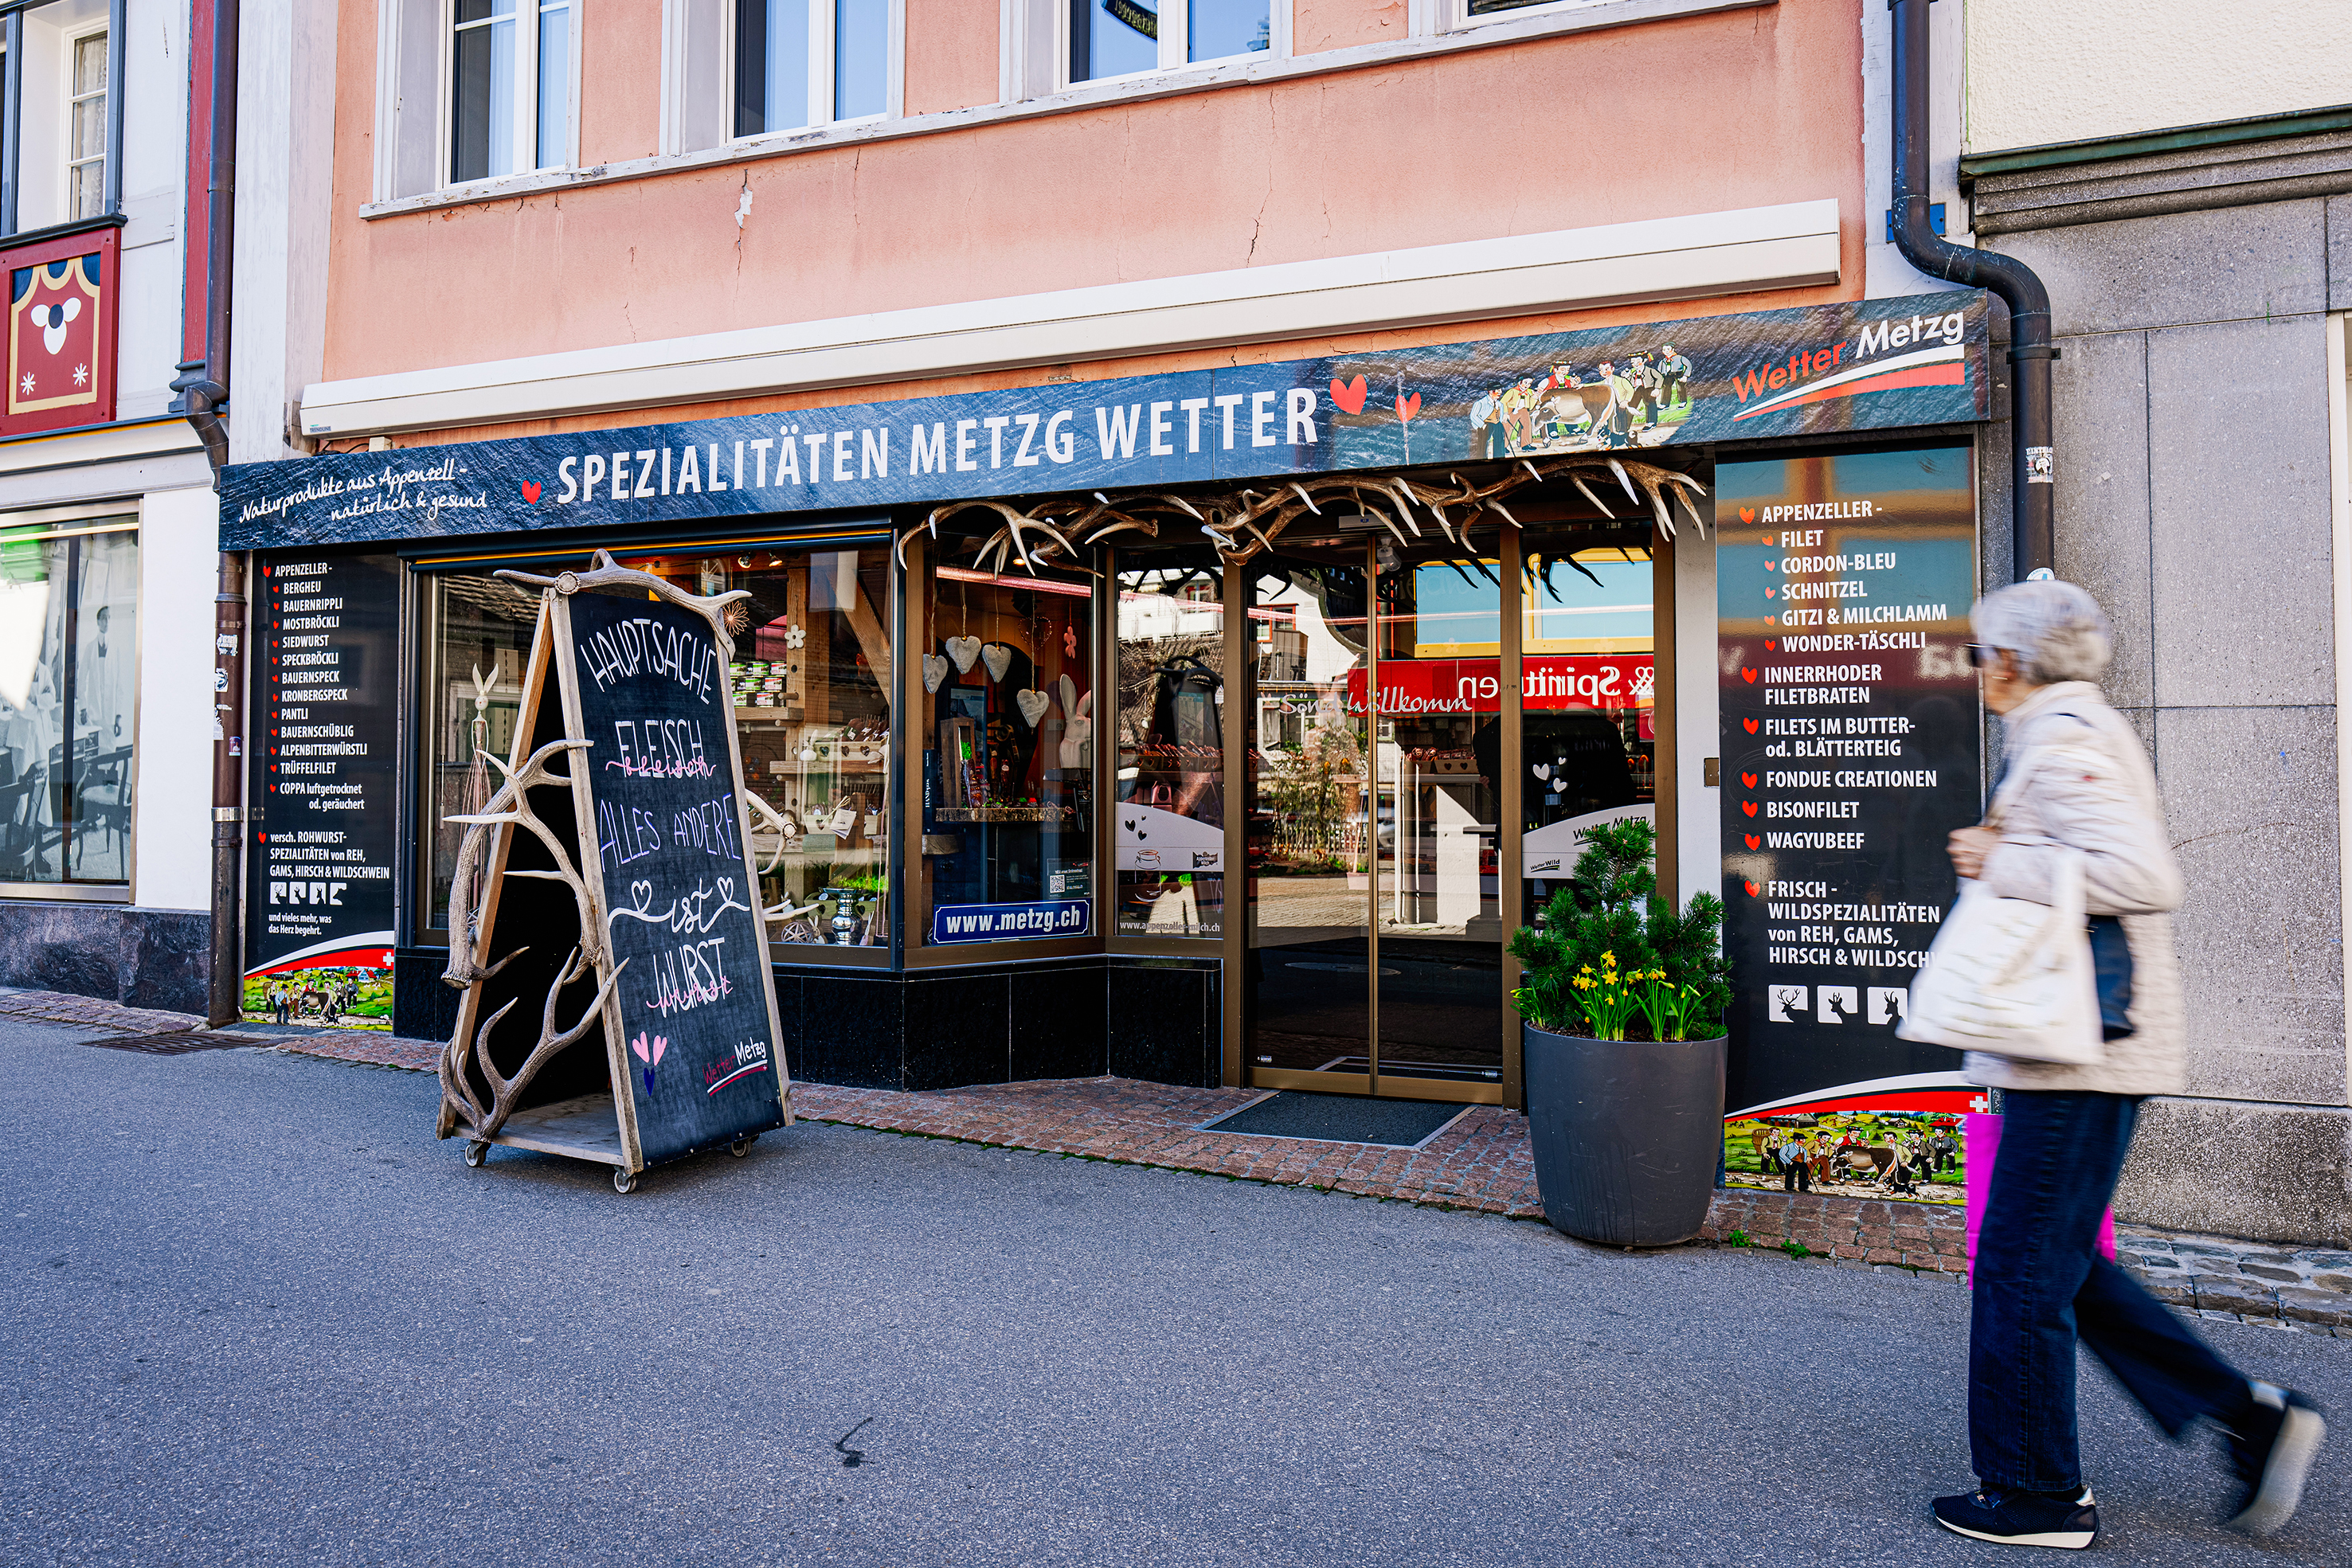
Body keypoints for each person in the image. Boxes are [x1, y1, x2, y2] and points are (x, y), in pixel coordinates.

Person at [1932, 580, 2326, 1548]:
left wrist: (1999, 861)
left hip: (2081, 1050)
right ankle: (2251, 1416)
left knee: (2020, 1269)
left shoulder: (2066, 735)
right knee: (2064, 1266)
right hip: (2077, 1043)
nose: (1975, 672)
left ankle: (2034, 1493)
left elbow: (2147, 875)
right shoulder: (2056, 731)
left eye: (1983, 654)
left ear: (2017, 662)